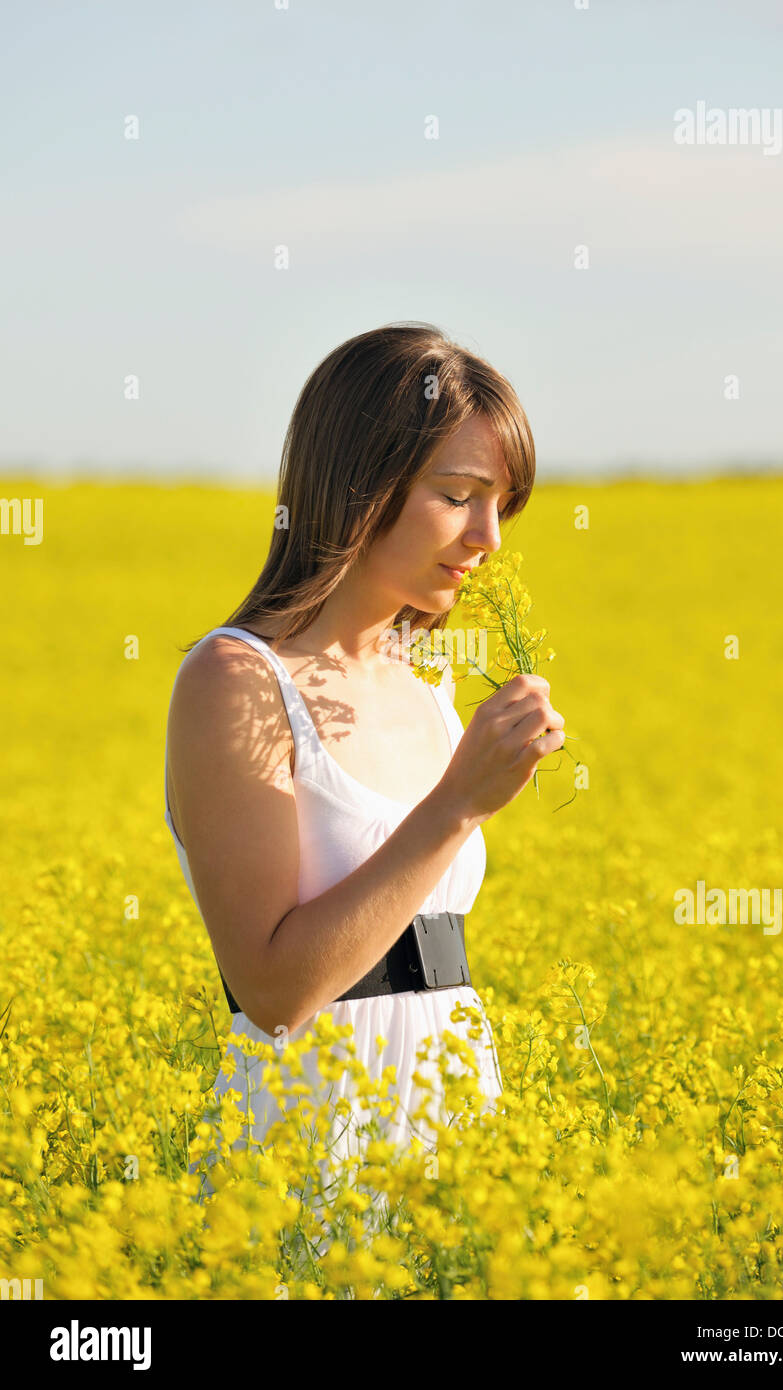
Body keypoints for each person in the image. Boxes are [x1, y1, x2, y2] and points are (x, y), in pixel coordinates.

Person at [163, 321, 566, 1229]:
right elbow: (272, 996)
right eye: (458, 495)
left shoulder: (427, 681)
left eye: (501, 503)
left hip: (457, 1129)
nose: (488, 537)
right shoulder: (235, 681)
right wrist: (459, 802)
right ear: (361, 488)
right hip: (308, 1142)